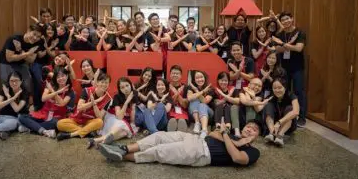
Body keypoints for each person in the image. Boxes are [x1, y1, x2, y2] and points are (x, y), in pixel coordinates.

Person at [97, 119, 262, 167]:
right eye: (248, 126)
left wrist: (235, 143)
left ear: (257, 136)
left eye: (254, 130)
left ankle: (121, 156)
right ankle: (123, 148)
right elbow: (212, 133)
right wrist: (230, 138)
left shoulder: (253, 151)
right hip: (194, 138)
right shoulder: (232, 136)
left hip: (201, 153)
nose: (249, 129)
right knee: (159, 136)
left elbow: (237, 158)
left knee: (160, 151)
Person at [18, 68, 75, 138]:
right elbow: (43, 99)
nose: (61, 78)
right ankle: (44, 130)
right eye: (58, 77)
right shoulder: (51, 84)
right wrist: (56, 91)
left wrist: (52, 90)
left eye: (63, 76)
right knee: (21, 117)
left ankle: (30, 128)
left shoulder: (70, 91)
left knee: (55, 123)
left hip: (56, 117)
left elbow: (62, 103)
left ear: (67, 76)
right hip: (43, 113)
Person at [272, 12, 307, 127]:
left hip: (297, 67)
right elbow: (276, 49)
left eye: (287, 19)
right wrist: (288, 45)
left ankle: (301, 118)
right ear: (281, 22)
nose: (286, 21)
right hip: (284, 68)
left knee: (298, 91)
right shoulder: (281, 33)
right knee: (284, 91)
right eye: (283, 20)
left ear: (292, 19)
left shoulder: (299, 32)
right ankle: (286, 114)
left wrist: (283, 44)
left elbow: (299, 48)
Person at [56, 73, 112, 140]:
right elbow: (79, 107)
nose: (104, 84)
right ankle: (87, 132)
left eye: (106, 83)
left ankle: (71, 134)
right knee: (59, 124)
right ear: (97, 82)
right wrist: (93, 102)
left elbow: (99, 116)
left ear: (109, 84)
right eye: (102, 82)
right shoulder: (87, 90)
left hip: (90, 121)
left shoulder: (108, 99)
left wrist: (94, 104)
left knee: (100, 122)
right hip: (77, 119)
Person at [87, 77, 139, 148]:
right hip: (112, 117)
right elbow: (119, 117)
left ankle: (98, 141)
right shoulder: (117, 97)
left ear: (131, 85)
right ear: (120, 89)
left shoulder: (134, 94)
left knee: (124, 132)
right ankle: (98, 140)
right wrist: (126, 102)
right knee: (121, 125)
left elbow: (133, 110)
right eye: (122, 87)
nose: (126, 89)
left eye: (127, 85)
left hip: (122, 120)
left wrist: (132, 123)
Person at [0, 24, 43, 94]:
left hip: (21, 64)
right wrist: (28, 53)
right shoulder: (14, 39)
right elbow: (9, 58)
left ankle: (28, 103)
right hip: (7, 64)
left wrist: (20, 51)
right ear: (28, 30)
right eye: (34, 34)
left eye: (38, 37)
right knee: (7, 87)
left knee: (28, 84)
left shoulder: (37, 43)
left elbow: (31, 60)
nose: (35, 38)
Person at [263, 78, 300, 146]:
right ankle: (272, 133)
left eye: (280, 88)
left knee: (290, 108)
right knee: (268, 105)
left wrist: (279, 122)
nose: (277, 90)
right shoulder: (272, 97)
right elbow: (260, 109)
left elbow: (296, 112)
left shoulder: (292, 96)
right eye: (274, 88)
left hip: (287, 126)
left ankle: (280, 136)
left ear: (285, 87)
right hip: (274, 126)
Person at [187, 70, 214, 138]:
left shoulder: (210, 89)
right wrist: (201, 92)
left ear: (204, 77)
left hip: (208, 114)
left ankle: (204, 130)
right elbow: (189, 98)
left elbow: (204, 101)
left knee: (202, 104)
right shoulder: (191, 88)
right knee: (194, 99)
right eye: (197, 78)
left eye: (201, 77)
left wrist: (197, 91)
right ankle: (197, 123)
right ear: (194, 79)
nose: (199, 79)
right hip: (194, 114)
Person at [167, 65, 189, 132]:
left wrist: (176, 93)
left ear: (181, 75)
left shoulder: (185, 87)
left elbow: (184, 105)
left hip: (182, 111)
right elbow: (168, 103)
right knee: (172, 120)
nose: (175, 75)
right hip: (170, 110)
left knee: (182, 120)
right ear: (170, 75)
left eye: (177, 74)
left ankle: (181, 133)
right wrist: (177, 93)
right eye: (173, 73)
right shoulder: (165, 86)